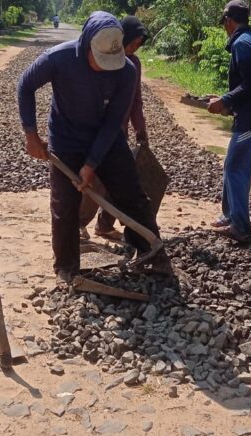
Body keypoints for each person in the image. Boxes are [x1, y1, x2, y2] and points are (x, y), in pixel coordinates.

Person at [17, 11, 169, 284]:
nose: (106, 67)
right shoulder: (58, 59)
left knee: (132, 194)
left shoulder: (127, 71)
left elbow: (113, 123)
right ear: (86, 45)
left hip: (107, 139)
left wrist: (91, 164)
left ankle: (151, 253)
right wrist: (31, 134)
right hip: (66, 140)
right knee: (64, 205)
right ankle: (66, 267)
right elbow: (25, 85)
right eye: (99, 60)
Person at [207, 0, 251, 242]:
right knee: (231, 165)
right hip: (249, 115)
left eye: (224, 22)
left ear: (229, 20)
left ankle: (241, 226)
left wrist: (225, 100)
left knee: (236, 168)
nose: (224, 27)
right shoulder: (249, 39)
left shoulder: (242, 45)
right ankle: (230, 215)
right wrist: (228, 102)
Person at [78, 15, 149, 241]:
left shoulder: (134, 65)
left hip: (119, 133)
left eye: (138, 45)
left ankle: (105, 225)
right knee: (96, 183)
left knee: (118, 182)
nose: (134, 48)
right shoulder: (105, 60)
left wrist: (140, 128)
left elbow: (136, 100)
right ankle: (78, 224)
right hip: (100, 132)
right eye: (132, 43)